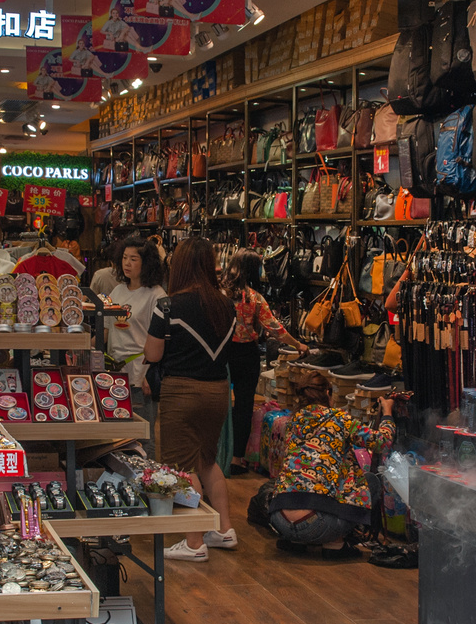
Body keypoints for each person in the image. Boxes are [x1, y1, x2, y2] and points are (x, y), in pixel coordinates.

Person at [144, 239, 236, 560]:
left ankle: (194, 542)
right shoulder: (226, 305)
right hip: (218, 390)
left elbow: (152, 353)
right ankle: (224, 530)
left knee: (182, 468)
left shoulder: (168, 306)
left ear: (179, 266)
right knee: (208, 461)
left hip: (181, 391)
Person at [267, 372, 396, 554]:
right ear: (328, 392)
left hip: (280, 520)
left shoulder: (292, 421)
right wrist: (388, 413)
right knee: (370, 481)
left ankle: (294, 540)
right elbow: (382, 442)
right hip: (319, 524)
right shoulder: (339, 419)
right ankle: (335, 543)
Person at [223, 249, 302, 475]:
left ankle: (218, 455)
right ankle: (237, 459)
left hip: (221, 352)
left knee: (220, 403)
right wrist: (299, 345)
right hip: (246, 354)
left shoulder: (220, 293)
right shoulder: (255, 298)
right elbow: (275, 329)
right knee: (244, 406)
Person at [104, 237, 166, 456]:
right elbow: (106, 331)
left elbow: (160, 339)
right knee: (117, 434)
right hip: (113, 373)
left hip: (141, 373)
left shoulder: (156, 295)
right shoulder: (118, 292)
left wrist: (150, 372)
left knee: (143, 434)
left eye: (133, 259)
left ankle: (147, 483)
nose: (127, 264)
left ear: (146, 263)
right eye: (124, 258)